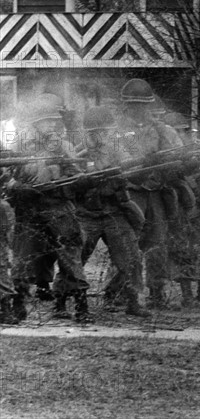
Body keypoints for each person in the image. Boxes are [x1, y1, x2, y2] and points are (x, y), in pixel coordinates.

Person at [8, 94, 91, 322]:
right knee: (24, 257)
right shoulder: (19, 144)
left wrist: (80, 180)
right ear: (36, 122)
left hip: (59, 207)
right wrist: (18, 187)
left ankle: (81, 306)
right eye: (48, 120)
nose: (54, 124)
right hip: (29, 209)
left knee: (70, 255)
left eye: (56, 120)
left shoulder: (64, 146)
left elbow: (76, 175)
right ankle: (18, 305)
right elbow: (6, 176)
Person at [76, 106, 150, 317]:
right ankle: (65, 300)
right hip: (87, 214)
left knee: (131, 256)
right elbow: (69, 183)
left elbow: (134, 171)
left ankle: (134, 300)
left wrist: (132, 169)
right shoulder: (78, 152)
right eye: (101, 132)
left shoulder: (118, 147)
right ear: (90, 132)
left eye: (108, 131)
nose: (106, 136)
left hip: (114, 211)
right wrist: (85, 179)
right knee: (74, 258)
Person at [119, 78, 183, 308]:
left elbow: (177, 154)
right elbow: (123, 159)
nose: (139, 109)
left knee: (157, 243)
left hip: (156, 192)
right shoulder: (117, 131)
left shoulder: (163, 130)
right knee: (127, 243)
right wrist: (144, 159)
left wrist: (172, 159)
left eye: (143, 104)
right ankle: (120, 292)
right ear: (125, 105)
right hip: (130, 193)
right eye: (134, 104)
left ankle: (157, 291)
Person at [163, 112, 200, 305]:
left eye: (183, 131)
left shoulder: (193, 151)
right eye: (177, 132)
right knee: (181, 252)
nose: (181, 135)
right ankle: (187, 294)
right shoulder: (165, 154)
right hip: (179, 211)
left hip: (199, 209)